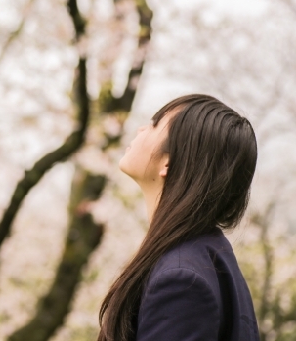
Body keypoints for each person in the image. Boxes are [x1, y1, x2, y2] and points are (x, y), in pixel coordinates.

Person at [97, 94, 260, 341]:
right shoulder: (209, 254)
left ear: (168, 162)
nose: (141, 128)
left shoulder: (182, 280)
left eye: (154, 123)